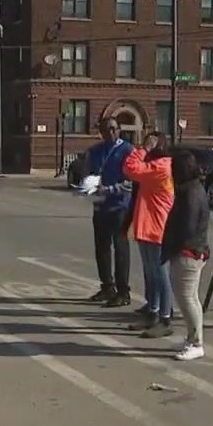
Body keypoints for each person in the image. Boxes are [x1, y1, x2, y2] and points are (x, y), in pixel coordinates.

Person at [122, 131, 175, 338]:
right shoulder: (155, 166)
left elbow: (130, 168)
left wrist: (144, 149)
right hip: (147, 226)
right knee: (149, 272)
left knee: (160, 274)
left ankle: (165, 316)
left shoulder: (162, 166)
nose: (145, 147)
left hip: (157, 228)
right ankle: (152, 311)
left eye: (150, 143)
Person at [162, 149, 210, 360]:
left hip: (187, 252)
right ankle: (192, 337)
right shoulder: (193, 189)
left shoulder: (190, 193)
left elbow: (187, 227)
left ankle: (197, 342)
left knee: (187, 298)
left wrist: (171, 245)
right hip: (191, 250)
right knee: (190, 298)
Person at [86, 117, 135, 307]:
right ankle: (107, 286)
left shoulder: (128, 151)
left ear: (119, 130)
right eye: (106, 130)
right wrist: (88, 184)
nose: (110, 133)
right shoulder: (97, 150)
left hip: (120, 207)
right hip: (100, 206)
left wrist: (110, 189)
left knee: (120, 248)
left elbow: (131, 182)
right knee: (101, 248)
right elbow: (91, 172)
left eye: (113, 129)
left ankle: (123, 291)